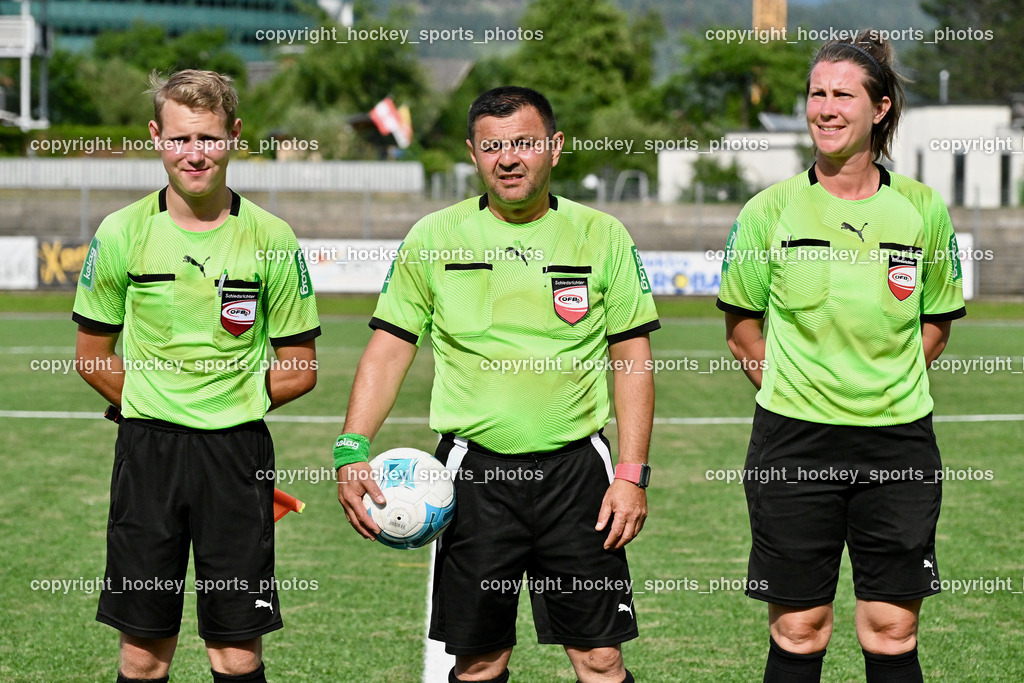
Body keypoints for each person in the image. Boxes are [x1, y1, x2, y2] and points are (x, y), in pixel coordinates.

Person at [333, 86, 659, 683]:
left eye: (524, 143)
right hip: (475, 476)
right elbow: (389, 348)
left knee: (601, 657)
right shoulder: (434, 237)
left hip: (577, 475)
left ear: (554, 147)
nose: (508, 158)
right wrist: (352, 446)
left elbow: (632, 355)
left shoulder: (601, 236)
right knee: (480, 660)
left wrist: (632, 473)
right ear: (473, 154)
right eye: (492, 147)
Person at [716, 31, 966, 683]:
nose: (824, 109)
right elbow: (742, 327)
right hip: (793, 443)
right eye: (816, 94)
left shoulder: (922, 210)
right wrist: (798, 389)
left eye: (842, 95)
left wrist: (883, 383)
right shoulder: (767, 211)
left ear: (879, 109)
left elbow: (936, 322)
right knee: (799, 629)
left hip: (898, 442)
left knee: (892, 628)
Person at [73, 70, 321, 683]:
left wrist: (227, 399)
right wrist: (148, 401)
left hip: (237, 457)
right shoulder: (122, 231)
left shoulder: (272, 237)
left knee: (235, 654)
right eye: (181, 138)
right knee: (142, 653)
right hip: (148, 454)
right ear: (157, 136)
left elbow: (301, 370)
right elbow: (92, 355)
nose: (195, 153)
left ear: (234, 136)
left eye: (208, 138)